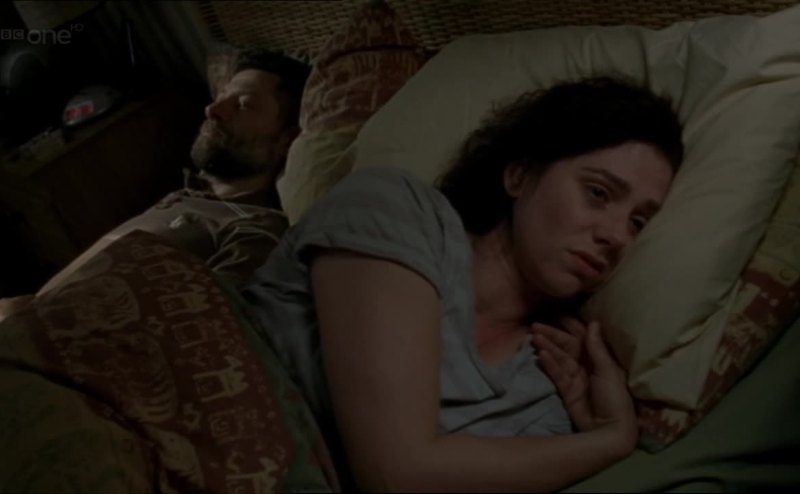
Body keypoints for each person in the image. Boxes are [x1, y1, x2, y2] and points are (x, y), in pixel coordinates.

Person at [242, 76, 684, 491]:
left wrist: (600, 432)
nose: (616, 236)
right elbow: (394, 470)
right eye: (598, 193)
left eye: (638, 222)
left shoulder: (548, 387)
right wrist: (611, 440)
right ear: (519, 175)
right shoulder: (396, 210)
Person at [36, 48, 311, 294]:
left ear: (287, 141)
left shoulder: (254, 228)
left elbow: (220, 321)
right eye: (221, 96)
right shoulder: (187, 197)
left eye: (242, 105)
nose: (212, 109)